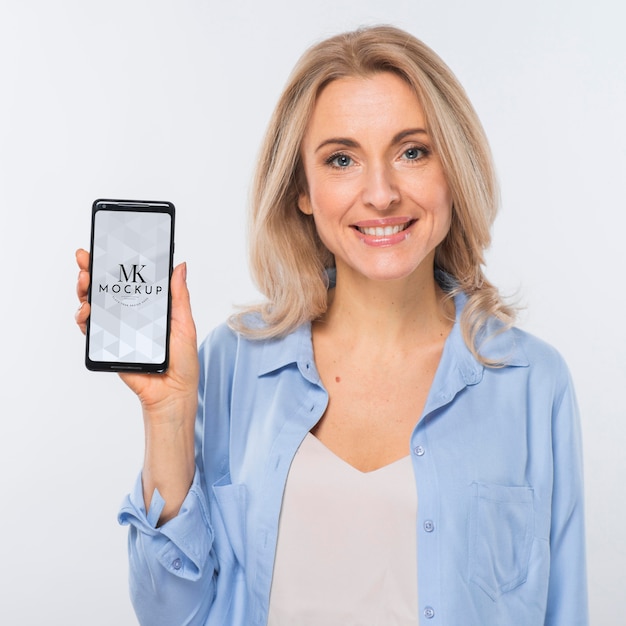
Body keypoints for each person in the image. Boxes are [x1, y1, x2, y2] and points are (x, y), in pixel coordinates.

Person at [75, 25, 588, 626]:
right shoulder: (232, 362)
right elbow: (168, 613)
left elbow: (563, 610)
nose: (381, 193)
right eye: (341, 159)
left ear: (454, 169)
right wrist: (167, 416)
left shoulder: (531, 381)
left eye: (412, 151)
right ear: (303, 191)